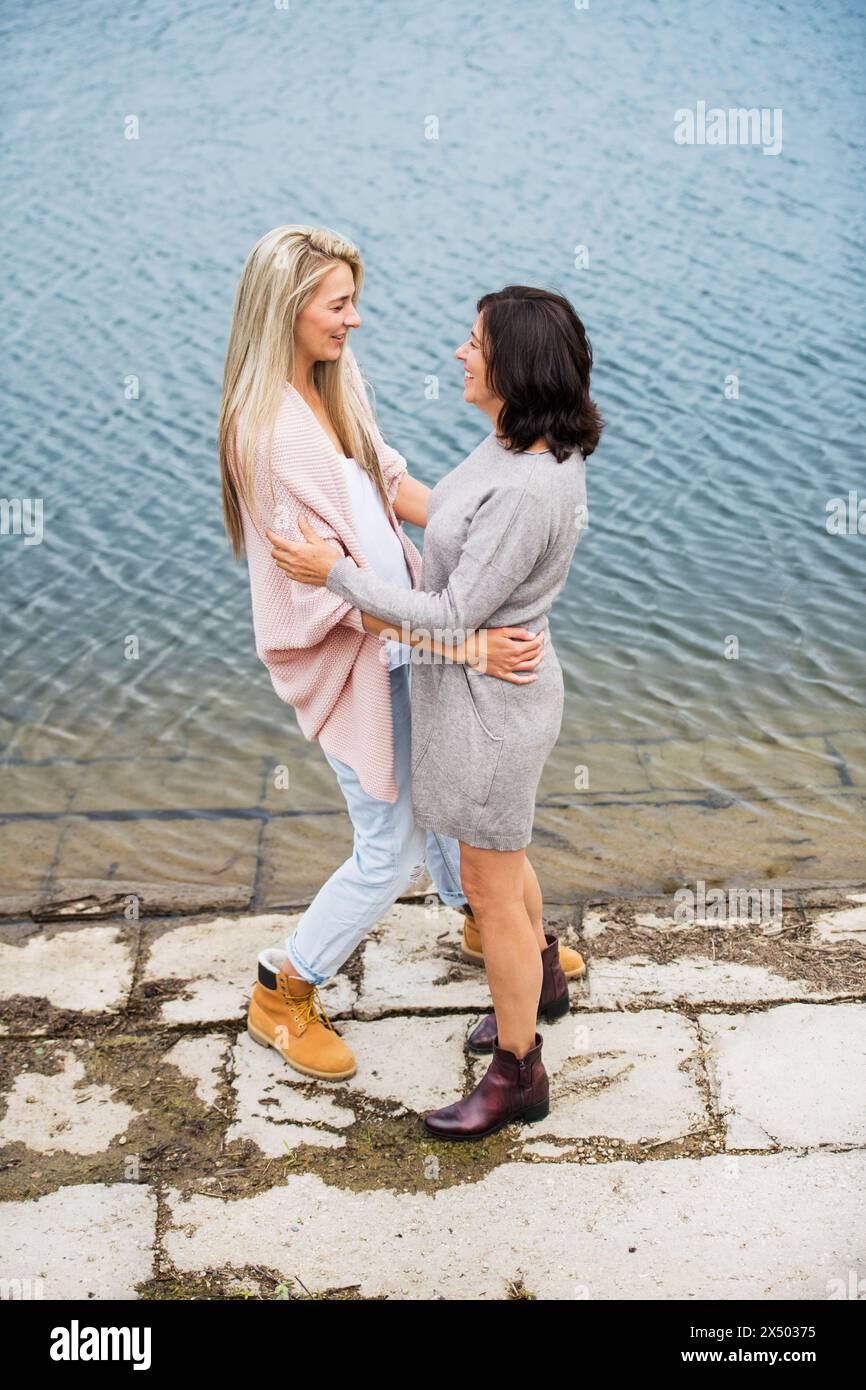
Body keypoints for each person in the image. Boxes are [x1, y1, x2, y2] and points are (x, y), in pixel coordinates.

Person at [218, 224, 563, 1085]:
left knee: (446, 791)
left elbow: (396, 487)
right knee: (392, 844)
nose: (355, 321)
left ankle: (495, 929)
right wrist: (467, 638)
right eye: (338, 306)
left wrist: (498, 513)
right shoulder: (265, 435)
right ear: (289, 309)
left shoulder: (334, 388)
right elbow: (326, 594)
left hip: (409, 636)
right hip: (354, 659)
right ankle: (285, 987)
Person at [269, 284, 603, 1139]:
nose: (461, 352)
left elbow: (454, 614)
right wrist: (369, 465)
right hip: (483, 695)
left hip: (493, 713)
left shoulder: (530, 488)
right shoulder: (507, 447)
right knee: (502, 861)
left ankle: (517, 1073)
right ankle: (543, 982)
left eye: (475, 342)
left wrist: (331, 575)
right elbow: (437, 511)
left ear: (513, 366)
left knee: (490, 886)